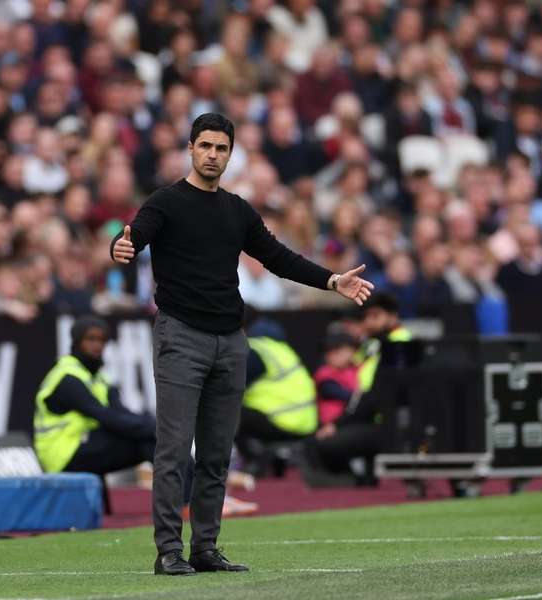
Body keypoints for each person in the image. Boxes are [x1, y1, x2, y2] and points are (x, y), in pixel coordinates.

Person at [111, 113, 374, 576]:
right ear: (190, 148)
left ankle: (205, 548)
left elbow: (277, 258)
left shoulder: (236, 210)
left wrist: (331, 280)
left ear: (231, 154)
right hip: (182, 336)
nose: (213, 155)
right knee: (174, 449)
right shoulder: (166, 202)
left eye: (222, 148)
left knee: (217, 452)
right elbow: (135, 234)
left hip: (231, 341)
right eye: (206, 146)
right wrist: (120, 246)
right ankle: (168, 550)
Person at [303, 293, 409, 483]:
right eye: (366, 317)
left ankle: (349, 482)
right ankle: (361, 479)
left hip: (385, 423)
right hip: (372, 417)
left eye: (375, 316)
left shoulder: (397, 345)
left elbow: (376, 398)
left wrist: (337, 425)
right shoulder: (377, 345)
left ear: (392, 316)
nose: (368, 322)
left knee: (321, 444)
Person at [33, 315, 157, 477]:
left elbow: (121, 413)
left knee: (153, 440)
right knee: (147, 442)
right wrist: (154, 428)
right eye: (90, 339)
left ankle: (186, 496)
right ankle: (183, 499)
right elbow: (106, 417)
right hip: (61, 455)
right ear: (77, 342)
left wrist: (154, 425)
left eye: (101, 340)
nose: (97, 346)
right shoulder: (67, 377)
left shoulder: (99, 378)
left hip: (84, 443)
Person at [235, 316, 319, 478]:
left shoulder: (255, 351)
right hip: (306, 422)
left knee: (225, 410)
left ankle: (254, 459)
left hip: (283, 422)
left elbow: (232, 385)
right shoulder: (279, 349)